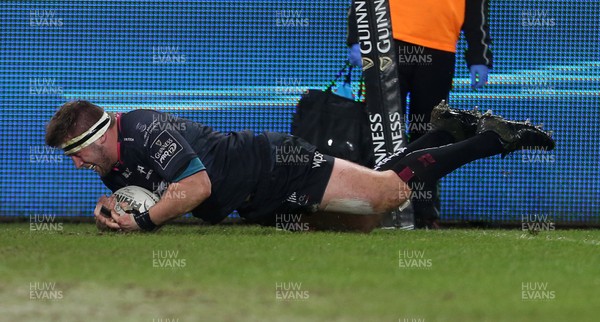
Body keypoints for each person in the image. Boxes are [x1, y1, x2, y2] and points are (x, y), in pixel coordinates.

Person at [44, 100, 553, 233]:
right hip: (256, 201)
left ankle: (493, 138)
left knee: (387, 196)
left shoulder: (144, 129)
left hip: (273, 165)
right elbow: (138, 191)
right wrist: (110, 208)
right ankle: (443, 129)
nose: (76, 164)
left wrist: (145, 221)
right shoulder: (111, 161)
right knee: (362, 221)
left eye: (77, 153)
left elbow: (195, 185)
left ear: (100, 135)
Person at [347, 0, 493, 228]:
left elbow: (476, 8)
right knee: (380, 131)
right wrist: (357, 37)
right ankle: (368, 209)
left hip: (440, 48)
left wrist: (479, 55)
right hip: (387, 42)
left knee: (429, 133)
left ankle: (423, 213)